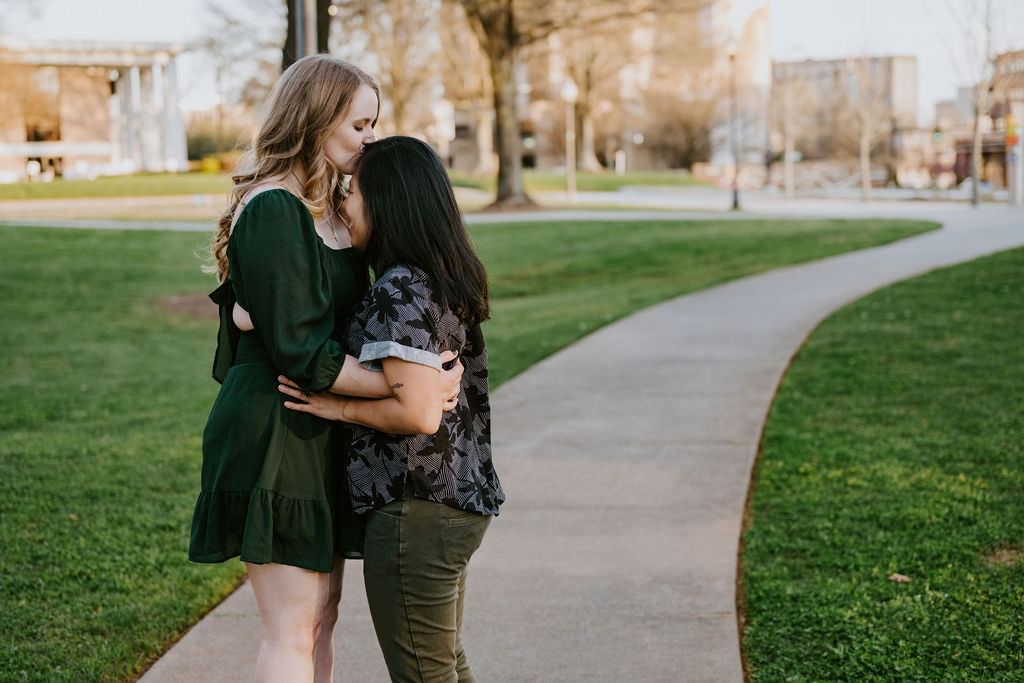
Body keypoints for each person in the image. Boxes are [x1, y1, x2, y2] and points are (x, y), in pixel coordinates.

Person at [188, 57, 460, 682]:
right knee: (292, 624)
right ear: (315, 118)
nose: (370, 139)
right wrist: (406, 390)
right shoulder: (274, 207)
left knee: (322, 618)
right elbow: (304, 353)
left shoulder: (333, 208)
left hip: (324, 424)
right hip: (279, 419)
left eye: (374, 124)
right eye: (359, 125)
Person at [278, 136, 505, 682]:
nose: (343, 205)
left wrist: (337, 409)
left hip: (416, 507)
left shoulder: (400, 288)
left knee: (425, 675)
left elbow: (418, 415)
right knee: (443, 665)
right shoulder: (439, 276)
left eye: (351, 192)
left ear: (388, 201)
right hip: (453, 500)